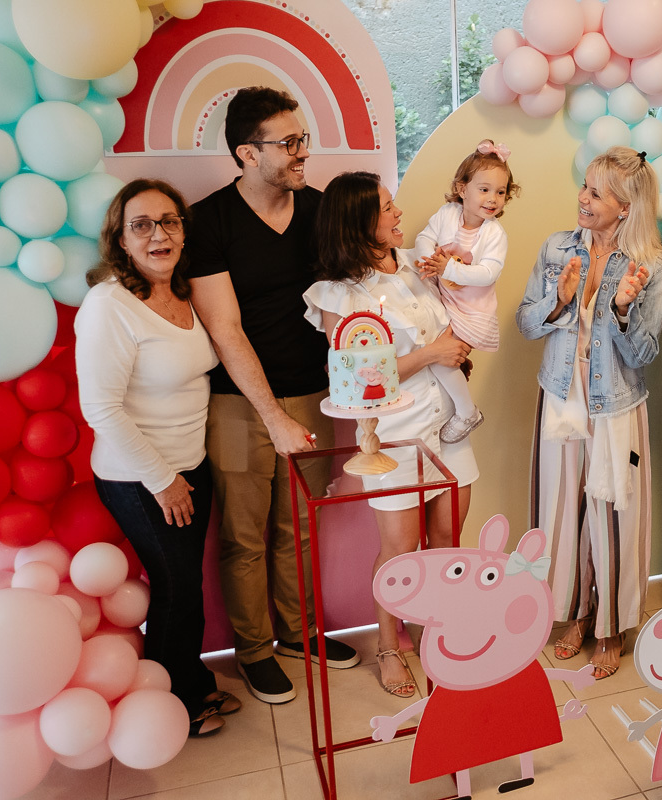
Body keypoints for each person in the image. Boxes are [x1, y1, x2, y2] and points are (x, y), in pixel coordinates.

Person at [187, 86, 359, 706]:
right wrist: (272, 416)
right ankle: (255, 649)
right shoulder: (208, 222)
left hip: (313, 392)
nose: (301, 152)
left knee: (300, 526)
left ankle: (299, 633)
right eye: (288, 142)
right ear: (247, 152)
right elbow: (225, 328)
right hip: (238, 403)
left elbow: (356, 289)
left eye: (302, 139)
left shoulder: (320, 209)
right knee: (243, 534)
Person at [304, 171, 477, 698]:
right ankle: (387, 643)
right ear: (358, 222)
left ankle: (435, 628)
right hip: (395, 435)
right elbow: (354, 379)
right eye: (386, 207)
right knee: (400, 551)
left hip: (450, 423)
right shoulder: (338, 295)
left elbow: (449, 322)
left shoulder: (415, 266)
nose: (399, 213)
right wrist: (432, 354)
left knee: (447, 538)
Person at [77, 178, 241, 736]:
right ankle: (173, 705)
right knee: (177, 588)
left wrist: (183, 473)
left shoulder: (184, 292)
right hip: (140, 477)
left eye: (169, 221)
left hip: (189, 466)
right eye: (141, 225)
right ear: (121, 240)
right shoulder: (109, 306)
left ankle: (187, 682)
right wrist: (162, 479)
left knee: (186, 585)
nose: (158, 235)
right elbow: (100, 409)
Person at [516, 146, 662, 681]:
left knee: (613, 517)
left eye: (596, 193)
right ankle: (577, 614)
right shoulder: (557, 248)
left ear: (626, 207)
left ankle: (611, 627)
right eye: (584, 186)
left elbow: (644, 354)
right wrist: (558, 301)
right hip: (560, 394)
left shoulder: (652, 266)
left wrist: (624, 310)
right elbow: (526, 323)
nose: (583, 198)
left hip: (616, 404)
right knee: (562, 512)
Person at [414, 139, 521, 443]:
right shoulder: (447, 214)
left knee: (441, 357)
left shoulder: (494, 233)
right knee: (434, 350)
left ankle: (466, 411)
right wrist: (428, 259)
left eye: (500, 192)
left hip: (473, 312)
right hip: (445, 301)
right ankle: (452, 407)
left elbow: (488, 273)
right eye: (484, 189)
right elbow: (424, 237)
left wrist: (447, 268)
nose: (493, 199)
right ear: (462, 189)